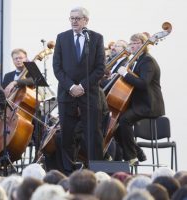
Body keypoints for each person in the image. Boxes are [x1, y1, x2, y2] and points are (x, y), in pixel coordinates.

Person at [52, 6, 105, 174]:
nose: (74, 21)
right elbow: (57, 67)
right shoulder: (62, 38)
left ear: (86, 21)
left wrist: (82, 86)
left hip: (88, 93)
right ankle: (68, 171)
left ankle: (95, 170)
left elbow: (100, 68)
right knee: (67, 133)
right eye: (71, 18)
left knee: (92, 134)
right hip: (66, 93)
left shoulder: (96, 38)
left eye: (77, 18)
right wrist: (71, 86)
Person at [115, 33, 165, 165]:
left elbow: (143, 83)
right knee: (115, 124)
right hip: (138, 103)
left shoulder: (148, 61)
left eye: (135, 43)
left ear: (143, 44)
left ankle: (132, 157)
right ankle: (138, 153)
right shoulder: (136, 60)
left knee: (124, 120)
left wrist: (125, 74)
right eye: (130, 43)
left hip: (149, 104)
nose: (132, 46)